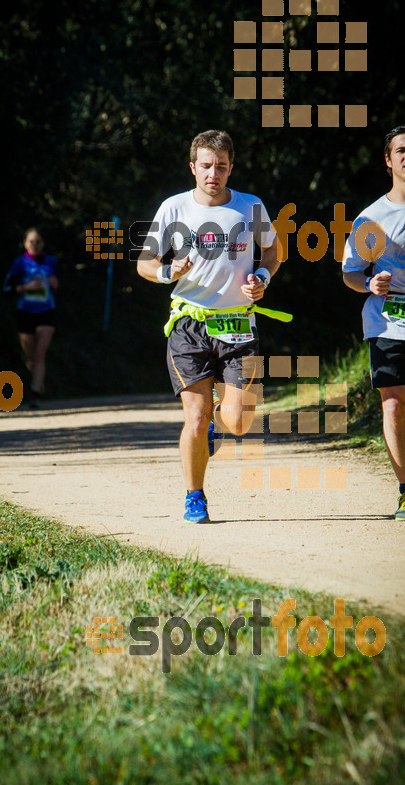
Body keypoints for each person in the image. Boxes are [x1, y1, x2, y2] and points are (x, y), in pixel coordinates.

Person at [137, 129, 282, 523]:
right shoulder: (174, 208)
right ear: (193, 168)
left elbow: (273, 250)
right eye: (206, 166)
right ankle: (194, 496)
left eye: (221, 166)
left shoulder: (251, 207)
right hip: (189, 324)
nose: (213, 174)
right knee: (195, 418)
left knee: (237, 422)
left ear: (231, 167)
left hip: (238, 323)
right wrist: (169, 269)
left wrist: (263, 279)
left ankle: (218, 425)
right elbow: (144, 262)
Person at [342, 122, 405, 520]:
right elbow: (349, 273)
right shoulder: (371, 218)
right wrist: (368, 282)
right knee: (392, 405)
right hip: (386, 325)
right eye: (400, 151)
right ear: (388, 160)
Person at [3, 227, 59, 408]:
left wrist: (54, 283)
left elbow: (58, 285)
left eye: (38, 242)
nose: (35, 245)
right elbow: (7, 289)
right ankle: (36, 382)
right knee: (30, 356)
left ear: (43, 244)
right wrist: (25, 287)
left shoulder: (51, 262)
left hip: (46, 311)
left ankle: (35, 394)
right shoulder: (19, 264)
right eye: (31, 242)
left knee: (40, 353)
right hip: (25, 312)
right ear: (25, 244)